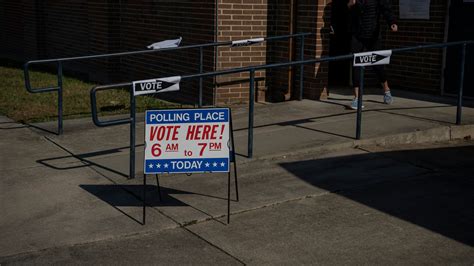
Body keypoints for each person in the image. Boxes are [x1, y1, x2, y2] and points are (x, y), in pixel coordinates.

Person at [347, 0, 398, 109]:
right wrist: (351, 5)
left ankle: (386, 90)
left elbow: (386, 9)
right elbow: (349, 10)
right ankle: (357, 98)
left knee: (378, 65)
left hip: (373, 35)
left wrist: (392, 22)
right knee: (356, 63)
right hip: (358, 34)